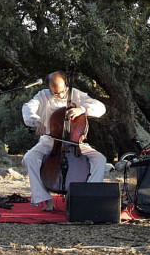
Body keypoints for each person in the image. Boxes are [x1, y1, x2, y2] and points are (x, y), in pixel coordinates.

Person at [21, 70, 108, 211]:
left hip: (75, 142)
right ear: (49, 87)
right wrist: (36, 121)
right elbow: (28, 108)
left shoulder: (76, 95)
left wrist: (82, 109)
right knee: (30, 158)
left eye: (62, 91)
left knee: (100, 160)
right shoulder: (43, 95)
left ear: (66, 84)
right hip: (51, 140)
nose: (60, 95)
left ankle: (86, 197)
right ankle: (44, 198)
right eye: (55, 93)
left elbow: (101, 108)